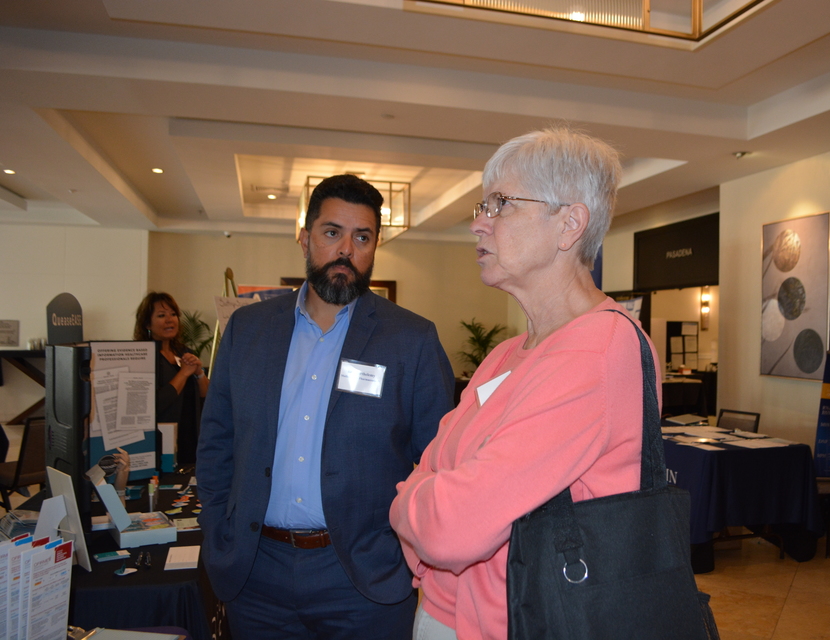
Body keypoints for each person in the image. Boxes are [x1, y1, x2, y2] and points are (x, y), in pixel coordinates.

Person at [390, 127, 659, 640]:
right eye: (482, 206)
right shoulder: (505, 355)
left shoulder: (597, 350)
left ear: (569, 224)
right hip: (452, 612)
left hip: (520, 623)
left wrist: (410, 504)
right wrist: (431, 500)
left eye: (501, 204)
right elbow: (431, 466)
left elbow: (454, 528)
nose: (478, 224)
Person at [196, 174, 455, 640]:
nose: (346, 250)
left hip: (363, 579)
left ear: (375, 246)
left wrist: (406, 552)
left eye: (363, 237)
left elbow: (439, 462)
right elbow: (217, 442)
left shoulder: (411, 339)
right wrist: (218, 532)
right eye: (332, 232)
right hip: (256, 574)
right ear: (305, 238)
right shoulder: (247, 330)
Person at [134, 292, 208, 465]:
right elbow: (153, 404)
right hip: (161, 441)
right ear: (147, 323)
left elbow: (207, 397)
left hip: (191, 438)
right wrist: (183, 373)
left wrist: (199, 373)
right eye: (161, 315)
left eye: (173, 314)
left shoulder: (184, 352)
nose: (170, 320)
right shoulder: (142, 357)